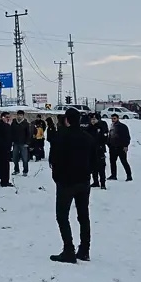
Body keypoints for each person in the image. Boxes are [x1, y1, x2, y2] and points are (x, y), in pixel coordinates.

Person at [48, 108, 97, 263]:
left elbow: (53, 160)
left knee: (62, 216)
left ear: (67, 120)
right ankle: (84, 250)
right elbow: (95, 159)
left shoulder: (60, 136)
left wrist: (57, 177)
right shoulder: (88, 137)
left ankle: (68, 250)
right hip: (84, 181)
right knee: (83, 216)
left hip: (65, 182)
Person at [107, 114, 133, 181]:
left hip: (121, 147)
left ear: (118, 118)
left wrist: (126, 145)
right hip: (112, 147)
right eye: (112, 118)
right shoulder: (112, 126)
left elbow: (127, 137)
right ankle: (113, 175)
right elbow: (110, 136)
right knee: (112, 162)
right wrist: (109, 144)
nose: (113, 120)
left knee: (124, 161)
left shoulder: (123, 126)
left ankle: (129, 176)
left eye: (114, 118)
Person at [86, 113, 108, 189]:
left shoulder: (102, 126)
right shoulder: (89, 128)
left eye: (94, 119)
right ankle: (95, 182)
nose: (93, 121)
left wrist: (101, 145)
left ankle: (103, 183)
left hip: (100, 150)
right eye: (92, 119)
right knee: (93, 167)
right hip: (91, 151)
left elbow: (105, 137)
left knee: (101, 168)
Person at [0, 112, 13, 187]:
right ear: (2, 117)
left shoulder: (6, 125)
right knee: (4, 165)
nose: (8, 119)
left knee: (5, 165)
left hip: (6, 148)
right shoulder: (0, 125)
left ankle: (5, 180)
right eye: (6, 117)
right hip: (2, 148)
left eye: (9, 117)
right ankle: (4, 181)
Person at [10, 110, 31, 176]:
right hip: (15, 143)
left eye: (21, 115)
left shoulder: (26, 123)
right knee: (15, 158)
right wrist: (12, 141)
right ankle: (16, 170)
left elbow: (28, 134)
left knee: (25, 158)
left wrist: (27, 142)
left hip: (23, 143)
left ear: (23, 116)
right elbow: (11, 132)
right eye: (18, 115)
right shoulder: (14, 122)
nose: (19, 116)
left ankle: (25, 171)